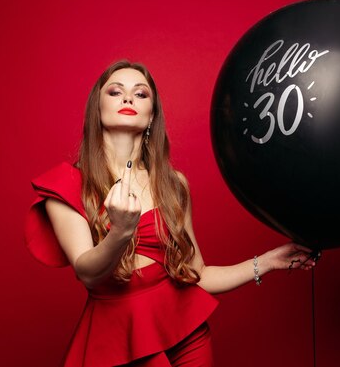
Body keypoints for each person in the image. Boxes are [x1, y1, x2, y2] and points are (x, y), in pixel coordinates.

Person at [25, 60, 318, 367]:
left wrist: (269, 261)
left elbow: (196, 275)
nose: (128, 99)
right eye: (115, 92)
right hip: (121, 339)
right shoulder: (68, 185)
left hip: (187, 334)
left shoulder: (173, 184)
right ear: (96, 110)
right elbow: (88, 272)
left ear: (152, 115)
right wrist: (121, 231)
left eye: (141, 94)